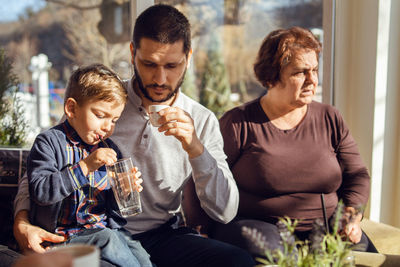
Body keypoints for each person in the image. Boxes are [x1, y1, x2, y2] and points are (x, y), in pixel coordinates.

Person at [13, 4, 255, 267]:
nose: (160, 79)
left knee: (238, 261)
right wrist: (22, 223)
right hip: (99, 232)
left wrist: (196, 149)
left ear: (189, 56)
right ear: (132, 53)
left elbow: (225, 211)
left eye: (172, 65)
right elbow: (42, 167)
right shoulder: (103, 105)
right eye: (149, 63)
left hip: (163, 236)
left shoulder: (202, 120)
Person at [210, 26, 378, 255]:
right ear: (271, 77)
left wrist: (351, 216)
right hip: (258, 227)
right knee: (282, 256)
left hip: (327, 226)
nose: (311, 80)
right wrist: (198, 227)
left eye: (315, 70)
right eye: (300, 72)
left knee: (369, 257)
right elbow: (207, 177)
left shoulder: (330, 118)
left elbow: (357, 174)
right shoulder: (239, 123)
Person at [26, 63, 152, 267]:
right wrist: (86, 166)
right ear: (72, 108)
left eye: (114, 120)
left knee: (140, 253)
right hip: (64, 238)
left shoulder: (110, 149)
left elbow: (109, 208)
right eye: (101, 116)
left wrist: (124, 191)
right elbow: (41, 192)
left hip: (104, 232)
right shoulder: (48, 142)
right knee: (107, 238)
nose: (107, 127)